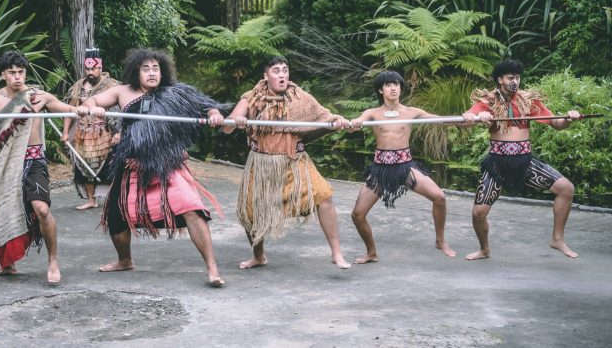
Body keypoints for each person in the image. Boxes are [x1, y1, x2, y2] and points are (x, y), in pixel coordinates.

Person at [78, 49, 228, 286]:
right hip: (131, 166)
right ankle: (125, 260)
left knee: (191, 208)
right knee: (117, 217)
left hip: (168, 166)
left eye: (155, 69)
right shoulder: (122, 91)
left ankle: (212, 268)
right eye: (146, 69)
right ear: (136, 71)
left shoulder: (176, 93)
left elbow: (208, 106)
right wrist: (92, 106)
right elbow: (93, 100)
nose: (151, 73)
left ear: (162, 71)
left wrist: (215, 114)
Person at [0, 51, 81, 283]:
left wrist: (85, 110)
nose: (17, 77)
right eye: (12, 73)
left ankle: (53, 261)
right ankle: (8, 265)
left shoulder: (37, 96)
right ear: (3, 75)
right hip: (6, 164)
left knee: (41, 209)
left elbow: (68, 109)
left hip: (33, 161)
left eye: (21, 72)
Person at [221, 57, 351, 270]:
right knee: (250, 212)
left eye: (285, 70)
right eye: (276, 71)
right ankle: (259, 256)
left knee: (324, 197)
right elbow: (227, 127)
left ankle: (336, 253)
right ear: (266, 75)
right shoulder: (251, 97)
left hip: (295, 160)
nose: (282, 75)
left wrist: (338, 122)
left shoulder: (300, 97)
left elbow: (324, 116)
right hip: (261, 164)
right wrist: (236, 121)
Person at [461, 59, 580, 260]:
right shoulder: (488, 101)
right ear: (500, 80)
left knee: (566, 189)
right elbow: (466, 121)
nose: (514, 81)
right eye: (510, 78)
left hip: (525, 162)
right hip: (497, 164)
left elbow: (556, 123)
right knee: (478, 214)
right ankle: (484, 249)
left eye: (517, 77)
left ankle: (557, 239)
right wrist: (472, 118)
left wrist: (568, 119)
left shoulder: (528, 101)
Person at [347, 71, 460, 264]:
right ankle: (371, 252)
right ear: (380, 89)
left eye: (396, 84)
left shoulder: (411, 112)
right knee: (357, 215)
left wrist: (462, 119)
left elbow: (438, 119)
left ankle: (440, 240)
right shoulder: (373, 114)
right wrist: (355, 123)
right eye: (389, 85)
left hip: (405, 168)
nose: (393, 88)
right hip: (380, 170)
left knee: (439, 197)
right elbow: (358, 121)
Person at [62, 48, 121, 210]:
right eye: (87, 69)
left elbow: (121, 111)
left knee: (110, 167)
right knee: (83, 167)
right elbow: (69, 110)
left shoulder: (112, 86)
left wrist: (119, 131)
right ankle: (91, 200)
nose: (90, 72)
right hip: (83, 134)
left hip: (106, 133)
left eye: (93, 68)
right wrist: (66, 133)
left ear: (100, 67)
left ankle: (112, 200)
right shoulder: (77, 87)